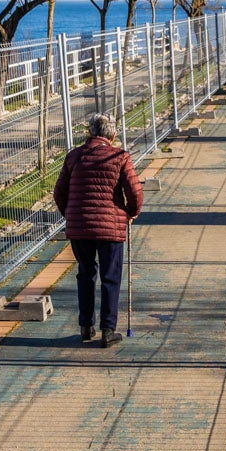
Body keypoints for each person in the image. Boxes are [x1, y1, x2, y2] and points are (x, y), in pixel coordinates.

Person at [52, 114, 143, 347]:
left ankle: (85, 326)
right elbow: (134, 192)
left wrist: (72, 215)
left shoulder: (74, 156)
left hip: (80, 227)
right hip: (110, 228)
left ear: (90, 133)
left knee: (85, 273)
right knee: (110, 277)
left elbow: (59, 193)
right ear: (112, 136)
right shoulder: (119, 156)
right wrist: (131, 212)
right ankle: (107, 329)